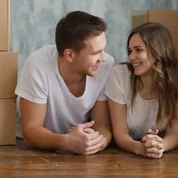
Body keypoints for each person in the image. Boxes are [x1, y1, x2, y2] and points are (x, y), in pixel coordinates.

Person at [14, 10, 115, 155]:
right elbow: (31, 131)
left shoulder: (105, 66)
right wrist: (67, 141)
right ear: (70, 55)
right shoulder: (37, 65)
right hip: (36, 151)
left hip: (80, 149)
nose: (103, 58)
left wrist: (99, 142)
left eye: (103, 50)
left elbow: (102, 124)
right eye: (95, 53)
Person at [105, 22, 178, 158]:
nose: (131, 57)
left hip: (156, 147)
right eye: (130, 51)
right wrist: (140, 148)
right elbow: (120, 134)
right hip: (123, 153)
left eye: (138, 50)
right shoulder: (119, 75)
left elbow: (174, 134)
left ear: (157, 50)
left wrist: (160, 146)